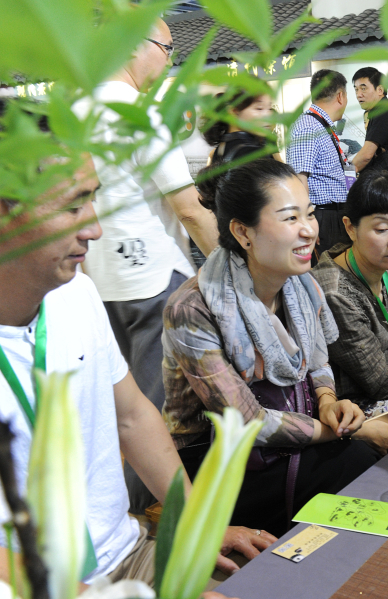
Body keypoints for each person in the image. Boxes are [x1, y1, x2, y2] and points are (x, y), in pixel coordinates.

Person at [0, 155, 272, 593]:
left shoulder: (76, 293)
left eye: (93, 201)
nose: (94, 229)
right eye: (72, 206)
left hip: (128, 553)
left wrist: (196, 519)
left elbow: (131, 415)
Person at [161, 158, 379, 535]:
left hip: (289, 435)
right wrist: (344, 430)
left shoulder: (300, 285)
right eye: (290, 219)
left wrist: (328, 400)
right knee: (357, 462)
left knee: (364, 466)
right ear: (243, 233)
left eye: (309, 215)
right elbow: (247, 423)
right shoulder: (193, 310)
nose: (310, 230)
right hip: (218, 460)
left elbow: (316, 363)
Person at [72, 18, 219, 514]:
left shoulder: (74, 109)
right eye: (167, 48)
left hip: (95, 278)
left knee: (112, 401)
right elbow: (189, 208)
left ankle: (124, 507)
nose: (169, 59)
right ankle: (144, 512)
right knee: (152, 410)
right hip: (156, 278)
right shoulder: (138, 112)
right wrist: (232, 267)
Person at [312, 170, 388, 433]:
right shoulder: (333, 292)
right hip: (357, 406)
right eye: (382, 229)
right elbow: (375, 378)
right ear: (350, 227)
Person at [287, 69, 353, 258]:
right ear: (340, 96)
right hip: (323, 218)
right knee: (327, 278)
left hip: (334, 216)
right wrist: (306, 224)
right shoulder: (308, 126)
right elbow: (299, 180)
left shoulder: (321, 125)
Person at [350, 67, 388, 175]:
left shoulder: (384, 113)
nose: (358, 94)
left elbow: (366, 156)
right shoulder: (381, 111)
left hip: (386, 183)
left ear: (380, 90)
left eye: (363, 88)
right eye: (356, 89)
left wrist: (345, 174)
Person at [204, 88, 276, 167]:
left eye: (269, 108)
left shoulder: (219, 150)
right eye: (259, 108)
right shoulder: (252, 152)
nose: (268, 115)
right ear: (234, 110)